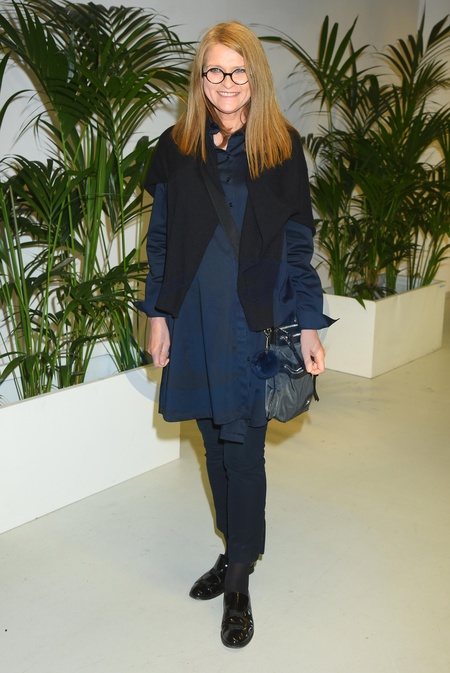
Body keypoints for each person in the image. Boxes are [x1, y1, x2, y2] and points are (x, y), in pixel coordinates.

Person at [137, 21, 334, 649]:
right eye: (215, 70)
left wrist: (309, 324)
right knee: (212, 445)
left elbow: (298, 244)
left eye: (238, 70)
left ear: (256, 76)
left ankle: (240, 576)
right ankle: (234, 547)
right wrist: (158, 315)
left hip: (252, 322)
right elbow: (161, 241)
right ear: (201, 77)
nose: (226, 82)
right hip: (193, 319)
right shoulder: (176, 146)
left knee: (244, 450)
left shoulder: (281, 146)